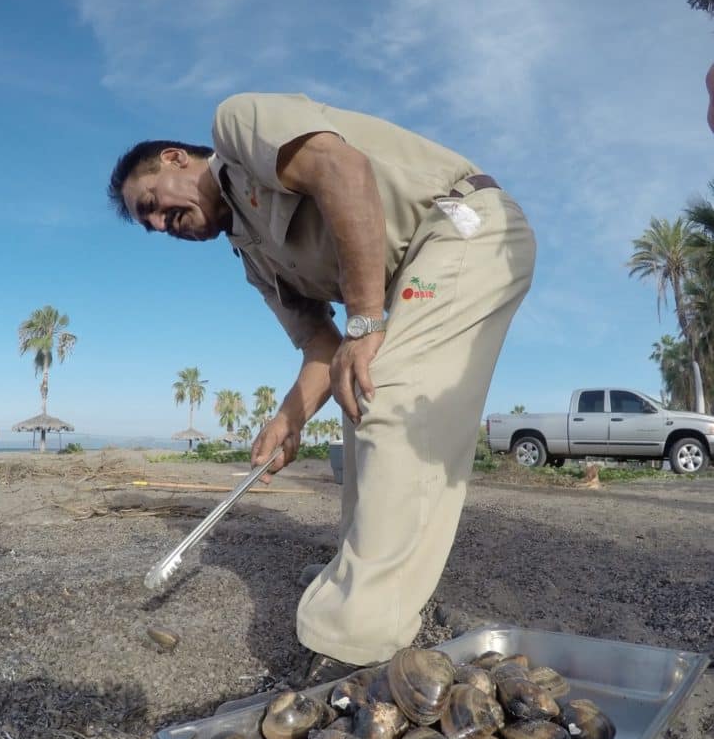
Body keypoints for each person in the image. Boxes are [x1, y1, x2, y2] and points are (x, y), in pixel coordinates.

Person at [108, 93, 536, 679]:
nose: (160, 224)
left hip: (461, 226)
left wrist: (365, 318)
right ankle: (365, 592)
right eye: (150, 224)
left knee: (384, 392)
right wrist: (288, 420)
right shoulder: (254, 258)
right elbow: (321, 347)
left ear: (178, 159)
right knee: (360, 397)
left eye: (153, 203)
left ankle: (355, 647)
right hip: (405, 278)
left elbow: (343, 169)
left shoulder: (236, 127)